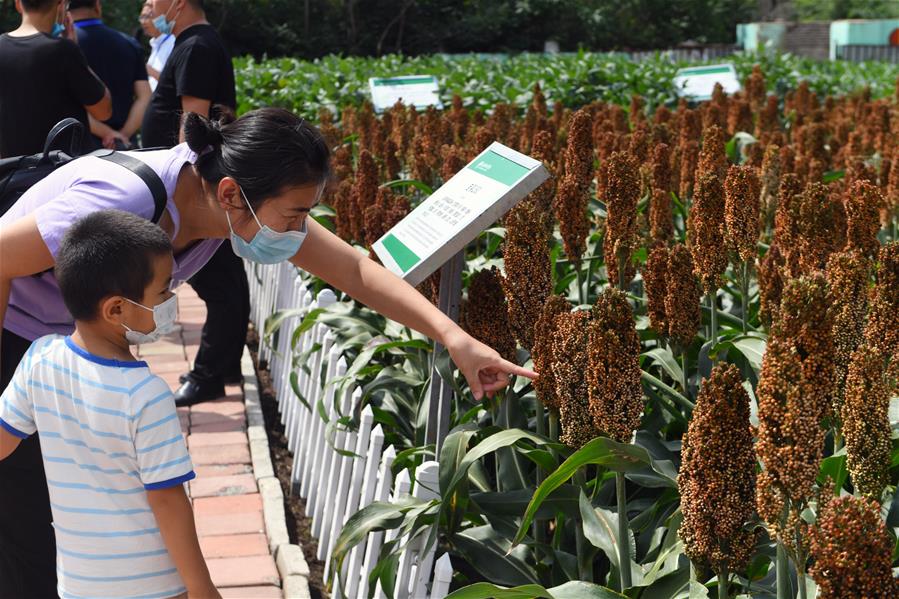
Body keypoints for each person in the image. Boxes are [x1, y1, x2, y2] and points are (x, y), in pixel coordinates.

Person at [0, 106, 534, 594]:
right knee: (27, 520)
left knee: (62, 509)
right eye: (295, 214)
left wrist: (453, 337)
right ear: (232, 193)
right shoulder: (120, 202)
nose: (301, 231)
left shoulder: (225, 204)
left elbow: (352, 269)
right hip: (14, 333)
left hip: (64, 341)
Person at [0, 210, 219, 599]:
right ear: (116, 309)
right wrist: (201, 588)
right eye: (163, 291)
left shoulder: (39, 359)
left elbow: (2, 440)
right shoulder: (145, 395)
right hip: (152, 586)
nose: (171, 299)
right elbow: (167, 499)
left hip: (78, 584)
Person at [142, 0, 248, 406]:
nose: (149, 7)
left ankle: (209, 375)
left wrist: (184, 191)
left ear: (178, 3)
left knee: (218, 282)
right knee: (225, 281)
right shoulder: (194, 43)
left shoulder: (197, 46)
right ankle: (221, 366)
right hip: (196, 189)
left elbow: (194, 124)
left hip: (193, 192)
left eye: (155, 0)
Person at [0, 0, 112, 158]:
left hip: (12, 173)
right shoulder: (64, 50)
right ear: (61, 5)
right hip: (62, 172)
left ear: (18, 3)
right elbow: (103, 111)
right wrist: (75, 50)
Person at [68, 0, 152, 150]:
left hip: (81, 147)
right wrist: (122, 135)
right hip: (125, 148)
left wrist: (108, 133)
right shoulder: (129, 43)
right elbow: (145, 96)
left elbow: (67, 102)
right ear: (97, 6)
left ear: (64, 8)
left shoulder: (64, 46)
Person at [140, 0, 174, 93]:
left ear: (161, 17)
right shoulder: (156, 43)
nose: (143, 21)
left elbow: (174, 83)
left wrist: (146, 69)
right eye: (141, 17)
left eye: (147, 17)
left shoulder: (173, 42)